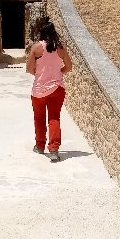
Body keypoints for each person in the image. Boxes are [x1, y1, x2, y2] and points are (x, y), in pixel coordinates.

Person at [26, 19, 73, 162]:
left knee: (39, 118)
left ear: (41, 32)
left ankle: (40, 146)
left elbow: (30, 69)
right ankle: (54, 150)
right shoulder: (60, 48)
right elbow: (69, 67)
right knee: (54, 117)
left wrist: (41, 74)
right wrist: (58, 74)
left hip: (39, 90)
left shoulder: (36, 48)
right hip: (57, 88)